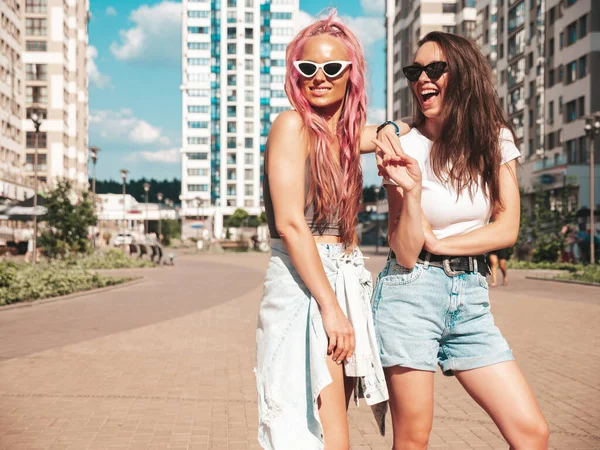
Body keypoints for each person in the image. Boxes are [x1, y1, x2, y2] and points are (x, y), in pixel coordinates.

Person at [371, 32, 549, 449]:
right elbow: (405, 249)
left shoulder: (494, 139)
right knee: (414, 438)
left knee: (532, 432)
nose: (422, 79)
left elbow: (507, 229)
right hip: (410, 294)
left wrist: (445, 244)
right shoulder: (403, 146)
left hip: (470, 298)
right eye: (414, 71)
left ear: (463, 74)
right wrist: (412, 193)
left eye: (435, 69)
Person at [255, 12, 390, 450]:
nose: (319, 77)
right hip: (304, 282)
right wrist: (331, 308)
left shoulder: (343, 137)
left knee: (330, 429)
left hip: (342, 275)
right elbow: (293, 224)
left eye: (332, 68)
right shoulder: (291, 125)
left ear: (350, 74)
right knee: (316, 432)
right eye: (307, 68)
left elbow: (396, 133)